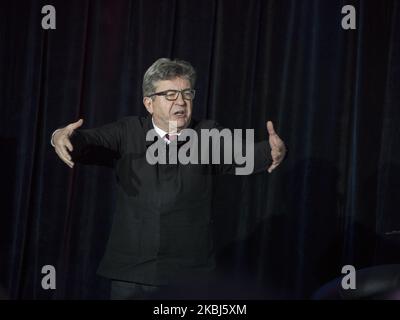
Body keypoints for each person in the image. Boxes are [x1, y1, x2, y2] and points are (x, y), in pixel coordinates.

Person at [51, 58, 287, 299]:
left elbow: (244, 153)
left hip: (187, 276)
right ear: (149, 103)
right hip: (131, 273)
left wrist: (272, 151)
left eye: (187, 93)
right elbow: (89, 141)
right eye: (171, 95)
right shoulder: (128, 131)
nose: (181, 102)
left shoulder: (207, 134)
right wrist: (60, 136)